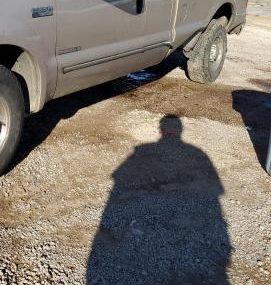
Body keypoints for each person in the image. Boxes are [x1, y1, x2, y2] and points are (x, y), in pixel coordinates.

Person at [86, 114, 231, 284]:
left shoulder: (143, 150)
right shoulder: (197, 153)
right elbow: (215, 191)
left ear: (161, 130)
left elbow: (118, 178)